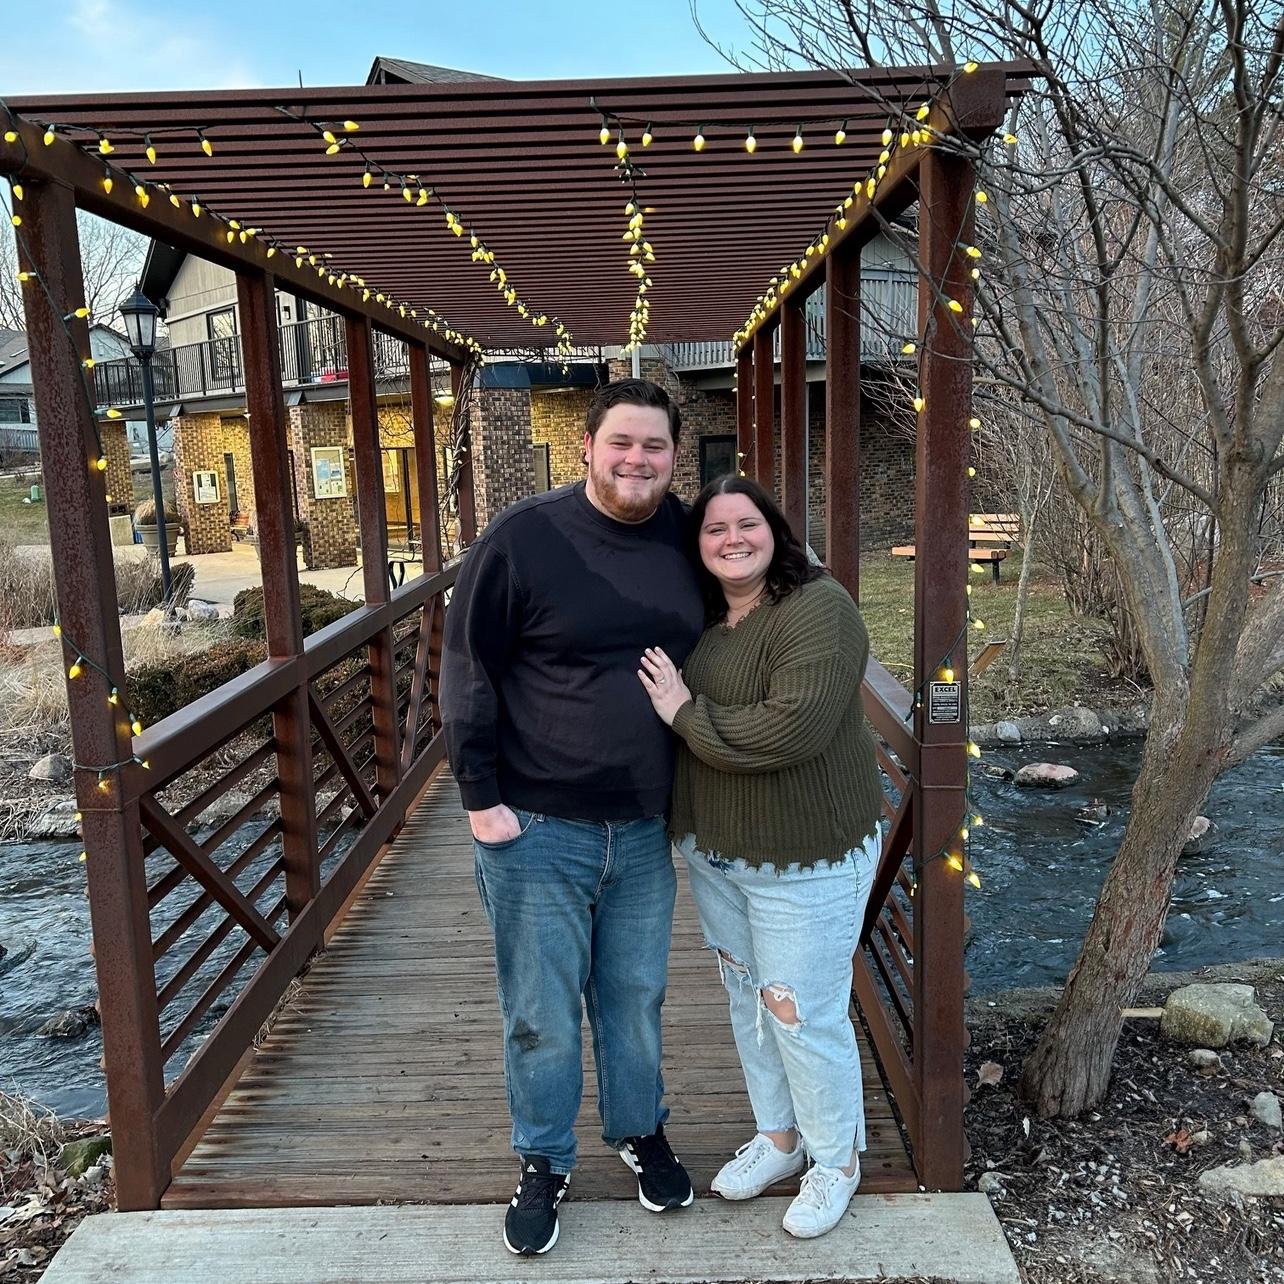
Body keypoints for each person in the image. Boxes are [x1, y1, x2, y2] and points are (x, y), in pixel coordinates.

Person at [440, 378, 704, 1256]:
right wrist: (481, 802)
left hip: (644, 826)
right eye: (621, 442)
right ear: (587, 446)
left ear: (675, 455)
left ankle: (639, 1129)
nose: (637, 459)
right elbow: (466, 667)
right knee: (541, 1012)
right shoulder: (524, 538)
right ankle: (544, 1159)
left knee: (634, 999)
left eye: (654, 445)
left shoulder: (690, 535)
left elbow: (762, 594)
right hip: (538, 825)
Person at [638, 473, 884, 1240]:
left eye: (746, 524)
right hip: (719, 852)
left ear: (774, 530)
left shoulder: (818, 609)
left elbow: (790, 729)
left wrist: (685, 713)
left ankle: (836, 1159)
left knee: (798, 1011)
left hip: (806, 856)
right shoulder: (705, 614)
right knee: (750, 1000)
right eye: (714, 529)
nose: (732, 539)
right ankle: (780, 1139)